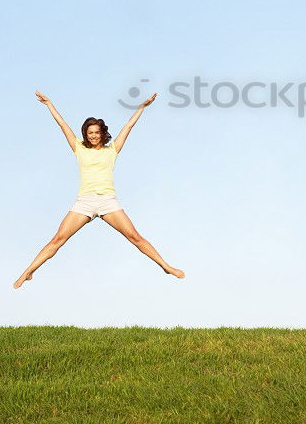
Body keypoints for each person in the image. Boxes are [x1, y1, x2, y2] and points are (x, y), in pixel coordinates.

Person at [13, 90, 184, 288]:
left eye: (96, 132)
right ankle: (28, 272)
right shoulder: (79, 148)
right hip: (84, 202)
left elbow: (129, 126)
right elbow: (63, 125)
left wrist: (142, 107)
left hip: (107, 201)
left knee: (134, 236)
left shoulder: (112, 150)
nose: (93, 136)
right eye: (89, 133)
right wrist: (49, 104)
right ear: (86, 134)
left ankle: (165, 266)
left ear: (102, 133)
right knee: (58, 239)